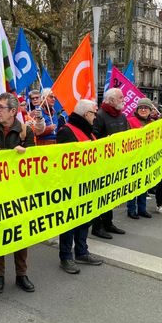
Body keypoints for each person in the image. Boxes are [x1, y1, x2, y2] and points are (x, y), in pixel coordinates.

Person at [0, 92, 36, 294]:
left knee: (20, 233)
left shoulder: (24, 131)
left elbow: (34, 159)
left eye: (0, 108)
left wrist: (24, 153)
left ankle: (22, 274)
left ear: (13, 111)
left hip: (18, 190)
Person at [56, 100, 104, 274]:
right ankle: (66, 256)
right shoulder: (67, 131)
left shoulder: (88, 133)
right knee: (70, 222)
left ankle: (82, 252)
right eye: (94, 113)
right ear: (86, 114)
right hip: (72, 186)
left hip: (87, 185)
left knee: (84, 219)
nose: (95, 117)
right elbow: (62, 162)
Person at [91, 88, 128, 239]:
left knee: (111, 195)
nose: (123, 99)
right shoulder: (99, 116)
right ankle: (97, 226)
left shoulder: (122, 116)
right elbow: (94, 139)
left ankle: (108, 223)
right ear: (111, 100)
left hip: (116, 162)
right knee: (100, 196)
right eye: (120, 97)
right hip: (102, 163)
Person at [126, 97, 154, 220]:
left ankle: (142, 209)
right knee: (133, 185)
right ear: (137, 109)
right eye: (141, 108)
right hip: (134, 158)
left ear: (150, 110)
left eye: (146, 108)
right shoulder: (130, 121)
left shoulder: (153, 124)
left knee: (143, 184)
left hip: (146, 158)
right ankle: (131, 209)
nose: (143, 110)